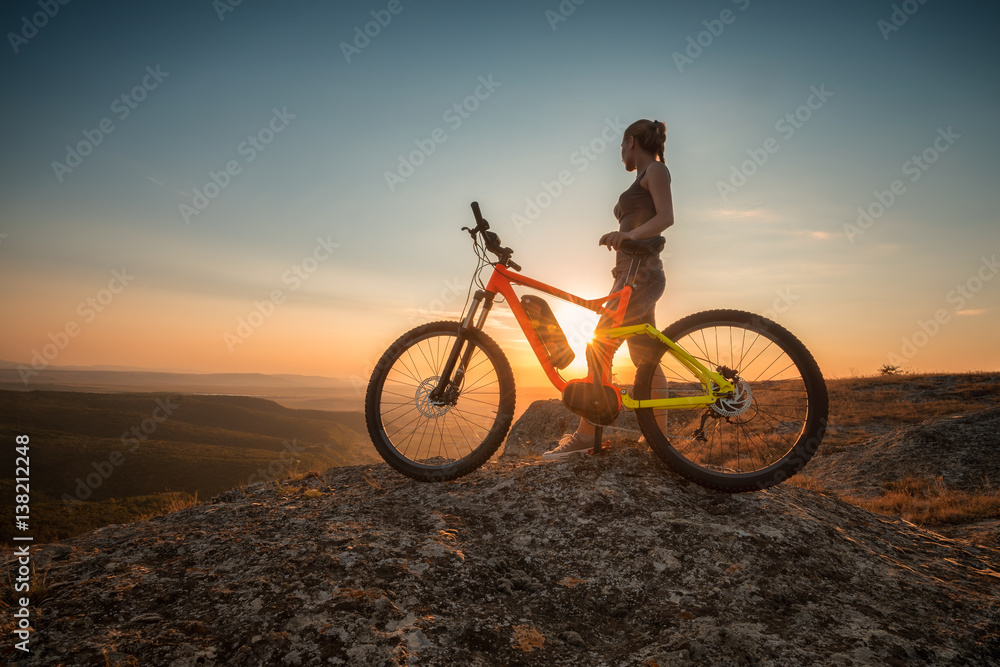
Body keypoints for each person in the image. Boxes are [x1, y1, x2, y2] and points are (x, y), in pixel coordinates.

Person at [543, 118, 673, 460]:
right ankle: (658, 438)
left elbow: (666, 217)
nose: (619, 153)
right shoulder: (640, 178)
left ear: (632, 141)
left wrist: (629, 236)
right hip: (629, 275)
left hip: (640, 275)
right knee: (645, 357)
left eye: (620, 145)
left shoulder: (655, 171)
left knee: (598, 345)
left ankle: (587, 435)